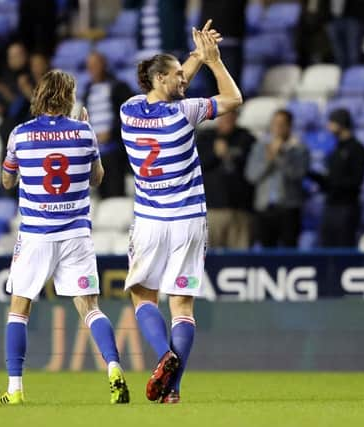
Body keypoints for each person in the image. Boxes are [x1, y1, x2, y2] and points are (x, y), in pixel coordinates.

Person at [120, 20, 241, 403]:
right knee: (182, 306)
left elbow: (171, 83)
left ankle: (164, 357)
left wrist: (194, 59)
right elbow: (234, 99)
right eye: (177, 77)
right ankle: (172, 389)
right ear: (159, 78)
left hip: (150, 222)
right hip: (188, 221)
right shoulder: (184, 113)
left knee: (142, 297)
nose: (184, 81)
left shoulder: (128, 111)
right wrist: (214, 61)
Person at [0, 70, 129, 405]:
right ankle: (114, 369)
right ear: (69, 97)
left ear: (39, 96)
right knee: (90, 309)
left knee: (18, 310)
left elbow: (7, 183)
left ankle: (15, 390)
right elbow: (98, 178)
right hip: (76, 235)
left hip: (36, 235)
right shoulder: (84, 132)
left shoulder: (20, 135)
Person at [245, 110, 309, 248]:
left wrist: (281, 156)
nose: (278, 128)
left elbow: (298, 175)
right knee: (266, 252)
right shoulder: (259, 148)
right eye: (275, 124)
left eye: (282, 124)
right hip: (264, 207)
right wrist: (269, 159)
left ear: (289, 126)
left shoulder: (300, 149)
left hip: (289, 208)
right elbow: (251, 176)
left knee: (290, 250)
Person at [200, 110, 254, 249]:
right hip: (212, 209)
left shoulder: (246, 138)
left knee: (240, 261)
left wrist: (229, 155)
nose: (227, 119)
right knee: (209, 259)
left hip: (240, 210)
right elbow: (195, 166)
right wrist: (215, 154)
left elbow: (254, 170)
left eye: (231, 116)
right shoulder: (205, 137)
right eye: (224, 116)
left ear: (237, 117)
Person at [83, 52, 133, 199]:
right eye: (90, 67)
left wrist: (111, 132)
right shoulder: (88, 90)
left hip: (115, 149)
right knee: (101, 193)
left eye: (96, 65)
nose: (93, 69)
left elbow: (128, 115)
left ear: (104, 65)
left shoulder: (118, 86)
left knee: (116, 194)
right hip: (96, 153)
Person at [316, 108, 364, 247]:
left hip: (346, 207)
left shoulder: (357, 149)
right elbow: (329, 180)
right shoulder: (335, 149)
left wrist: (334, 184)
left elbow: (356, 181)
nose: (328, 127)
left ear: (341, 123)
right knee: (326, 249)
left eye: (331, 123)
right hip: (330, 206)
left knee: (344, 248)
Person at [325, 0, 364, 69]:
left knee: (353, 55)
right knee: (338, 55)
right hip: (332, 19)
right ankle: (343, 77)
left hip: (353, 18)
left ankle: (353, 77)